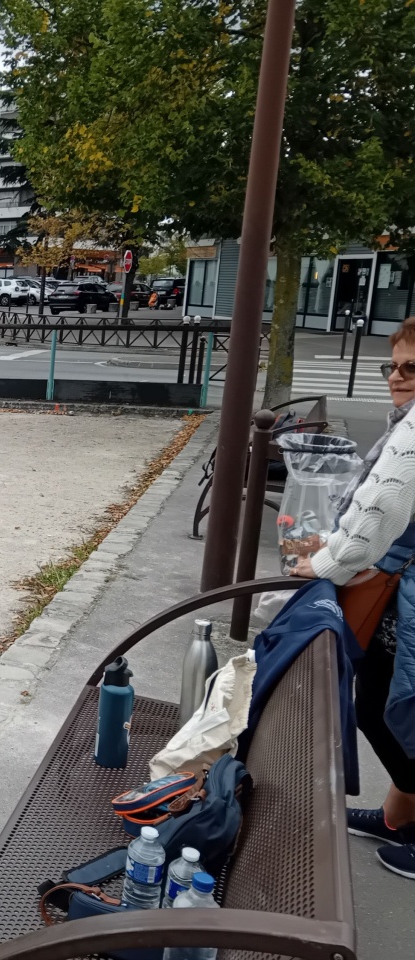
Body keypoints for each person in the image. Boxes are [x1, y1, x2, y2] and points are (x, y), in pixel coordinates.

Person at [293, 315, 415, 881]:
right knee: (388, 706)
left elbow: (383, 507)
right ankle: (398, 817)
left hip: (402, 593)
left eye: (412, 367)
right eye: (393, 365)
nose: (397, 376)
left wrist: (326, 562)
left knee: (385, 708)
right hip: (397, 587)